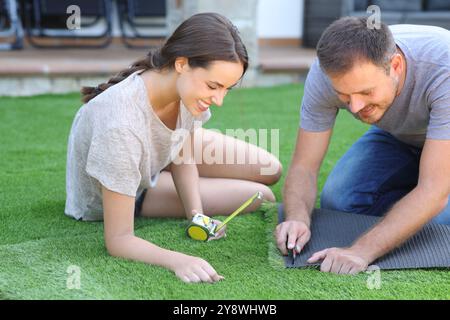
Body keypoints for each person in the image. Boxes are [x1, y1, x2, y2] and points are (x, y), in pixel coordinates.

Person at [65, 12, 282, 283]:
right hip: (130, 190)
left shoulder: (184, 92)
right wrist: (179, 260)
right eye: (214, 86)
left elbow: (183, 153)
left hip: (153, 153)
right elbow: (119, 240)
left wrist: (197, 215)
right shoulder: (121, 125)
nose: (219, 100)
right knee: (262, 195)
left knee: (270, 169)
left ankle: (173, 177)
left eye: (226, 89)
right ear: (182, 64)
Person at [276, 17, 450, 275]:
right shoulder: (327, 75)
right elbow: (304, 167)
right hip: (401, 139)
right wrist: (297, 217)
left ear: (396, 65)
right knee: (340, 199)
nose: (355, 107)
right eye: (344, 96)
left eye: (366, 92)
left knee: (434, 219)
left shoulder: (442, 66)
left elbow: (434, 190)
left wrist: (360, 251)